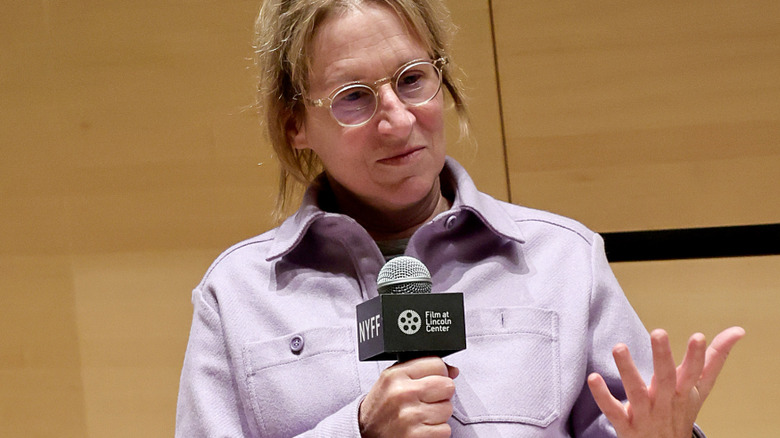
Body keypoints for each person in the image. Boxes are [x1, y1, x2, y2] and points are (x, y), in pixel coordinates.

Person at [175, 0, 745, 436]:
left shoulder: (563, 259)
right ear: (295, 122)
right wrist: (358, 428)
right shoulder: (237, 295)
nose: (397, 120)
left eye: (412, 80)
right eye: (354, 97)